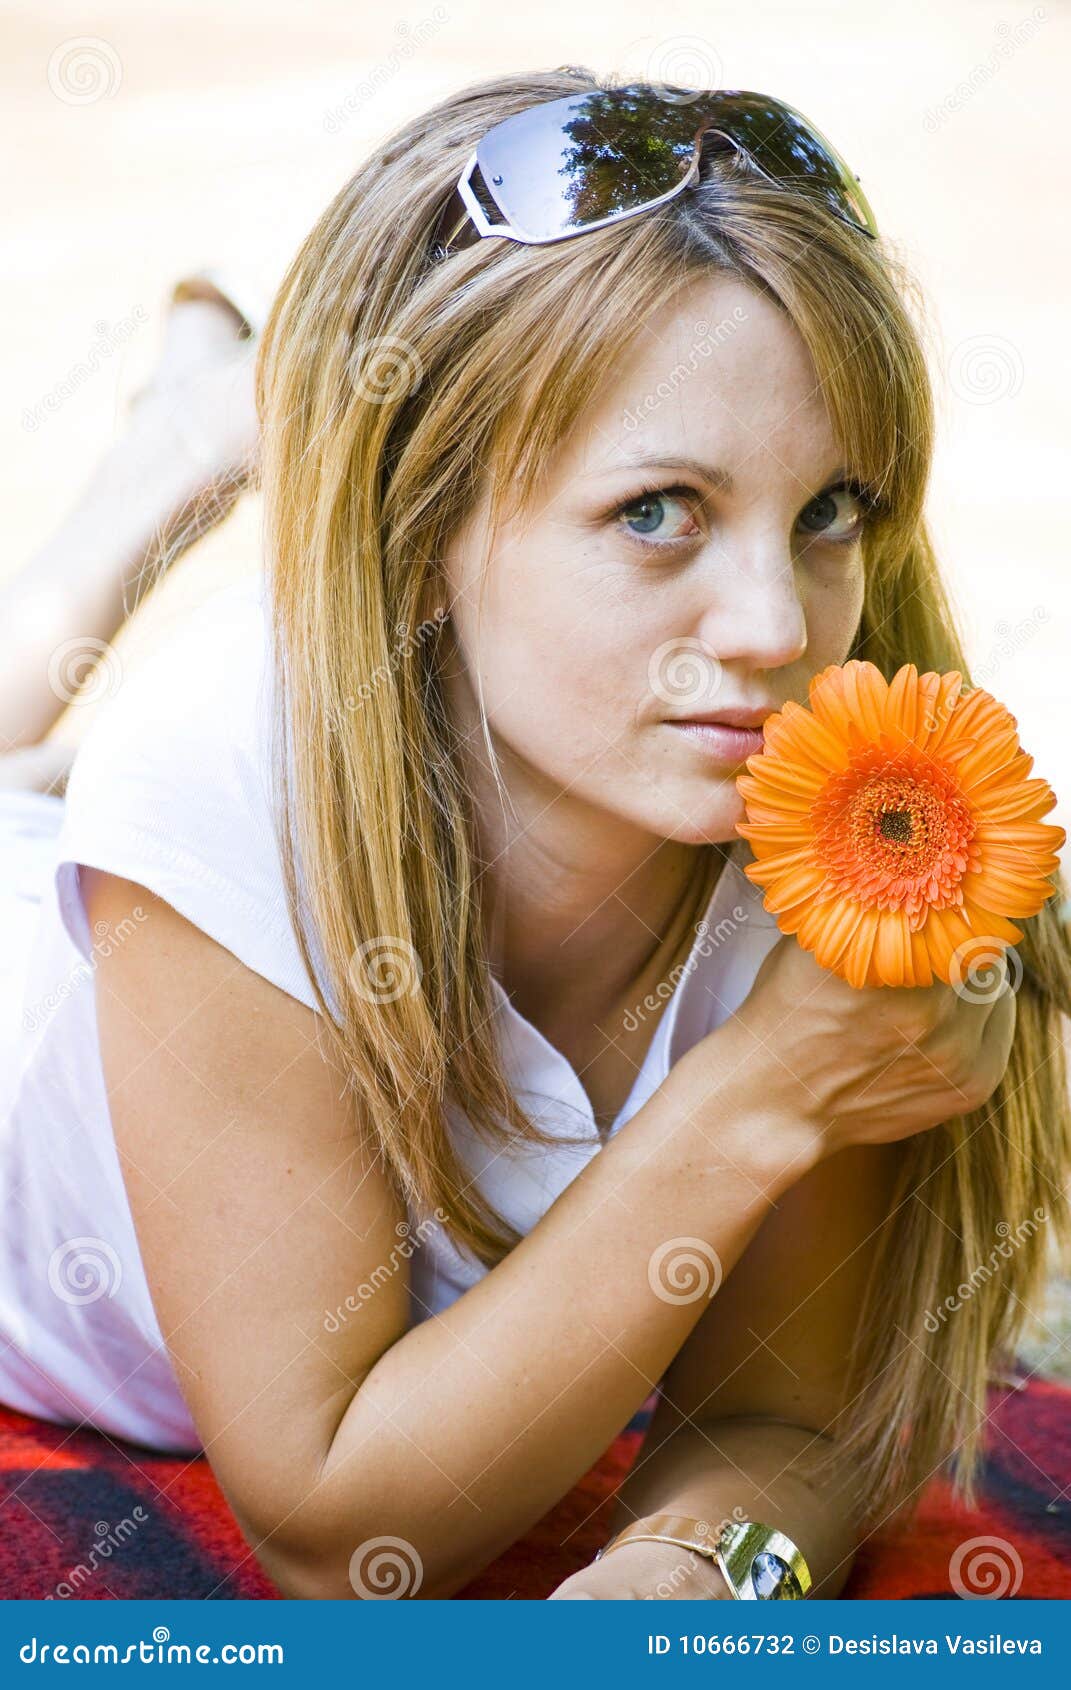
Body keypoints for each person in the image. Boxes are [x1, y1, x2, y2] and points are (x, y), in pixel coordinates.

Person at [0, 68, 1067, 1604]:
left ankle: (184, 448)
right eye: (658, 511)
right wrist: (756, 1095)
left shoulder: (830, 807)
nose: (777, 629)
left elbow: (792, 1418)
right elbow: (334, 1533)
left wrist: (697, 1580)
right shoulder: (222, 762)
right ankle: (162, 471)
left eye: (829, 506)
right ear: (418, 528)